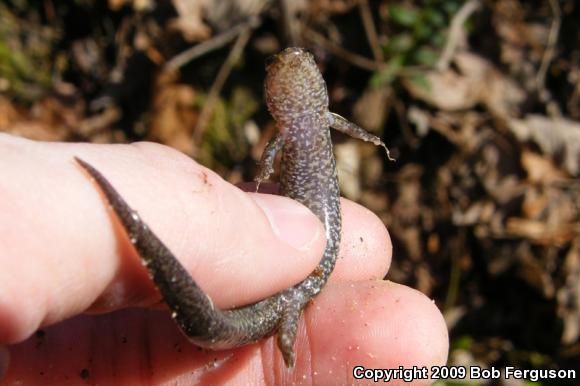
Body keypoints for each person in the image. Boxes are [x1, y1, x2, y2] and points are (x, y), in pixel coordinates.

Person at [0, 133, 448, 384]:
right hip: (291, 286)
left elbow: (271, 161)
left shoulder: (291, 132)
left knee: (252, 312)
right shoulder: (310, 126)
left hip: (295, 287)